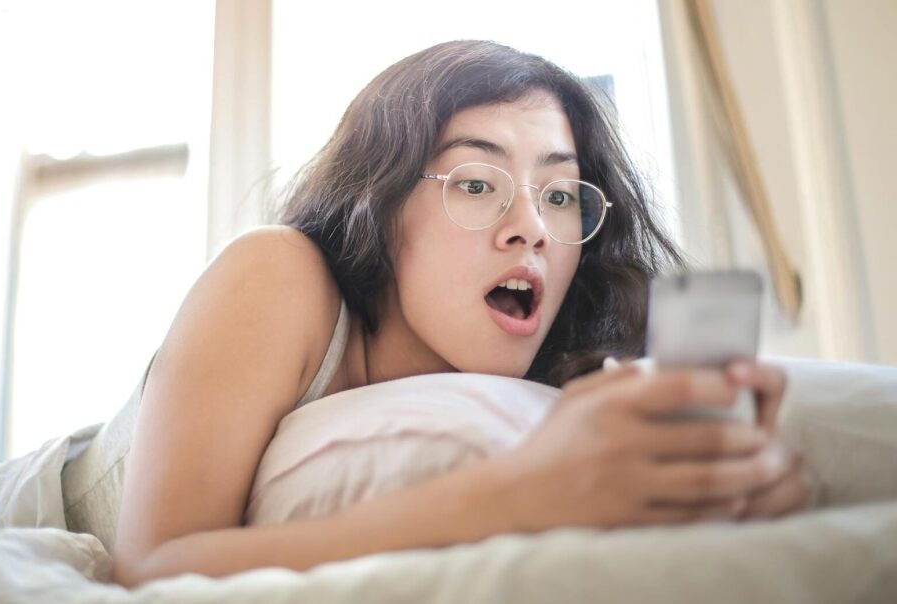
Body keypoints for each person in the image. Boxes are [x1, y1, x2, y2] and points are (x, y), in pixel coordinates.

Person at [112, 40, 809, 587]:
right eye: (477, 184)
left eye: (561, 195)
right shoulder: (278, 275)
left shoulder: (569, 362)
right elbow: (152, 567)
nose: (532, 227)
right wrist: (516, 495)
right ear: (379, 205)